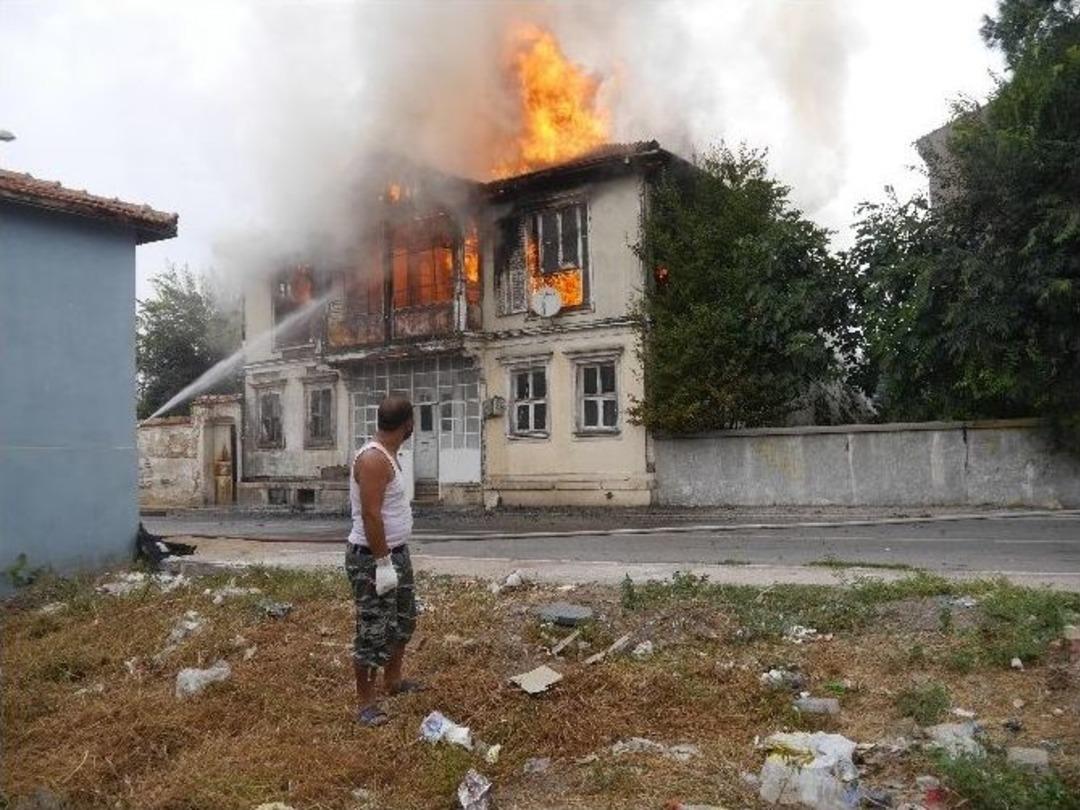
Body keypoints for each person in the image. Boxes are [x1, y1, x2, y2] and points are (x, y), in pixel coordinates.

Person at [345, 395, 422, 726]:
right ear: (408, 424)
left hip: (395, 553)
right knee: (373, 629)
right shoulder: (374, 459)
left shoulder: (391, 455)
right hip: (372, 558)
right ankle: (365, 703)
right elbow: (370, 515)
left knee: (404, 620)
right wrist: (382, 563)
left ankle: (393, 681)